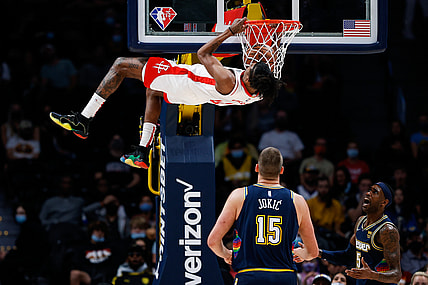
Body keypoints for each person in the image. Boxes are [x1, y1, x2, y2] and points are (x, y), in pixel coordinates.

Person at [49, 17, 281, 169]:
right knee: (153, 92)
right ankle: (141, 150)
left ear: (249, 79)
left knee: (120, 65)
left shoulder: (228, 79)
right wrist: (271, 42)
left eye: (249, 69)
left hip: (181, 78)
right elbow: (268, 72)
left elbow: (203, 54)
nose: (248, 64)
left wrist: (229, 32)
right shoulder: (259, 92)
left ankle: (83, 120)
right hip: (196, 96)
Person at [207, 147, 319, 285]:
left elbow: (213, 241)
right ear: (281, 170)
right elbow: (313, 252)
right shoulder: (297, 200)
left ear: (257, 168)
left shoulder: (240, 196)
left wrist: (226, 254)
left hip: (249, 275)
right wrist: (302, 253)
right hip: (284, 276)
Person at [295, 182, 402, 285]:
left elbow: (396, 275)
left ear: (384, 202)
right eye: (369, 190)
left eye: (375, 192)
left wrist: (372, 275)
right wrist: (317, 253)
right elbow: (348, 256)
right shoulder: (360, 222)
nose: (368, 193)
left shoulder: (387, 230)